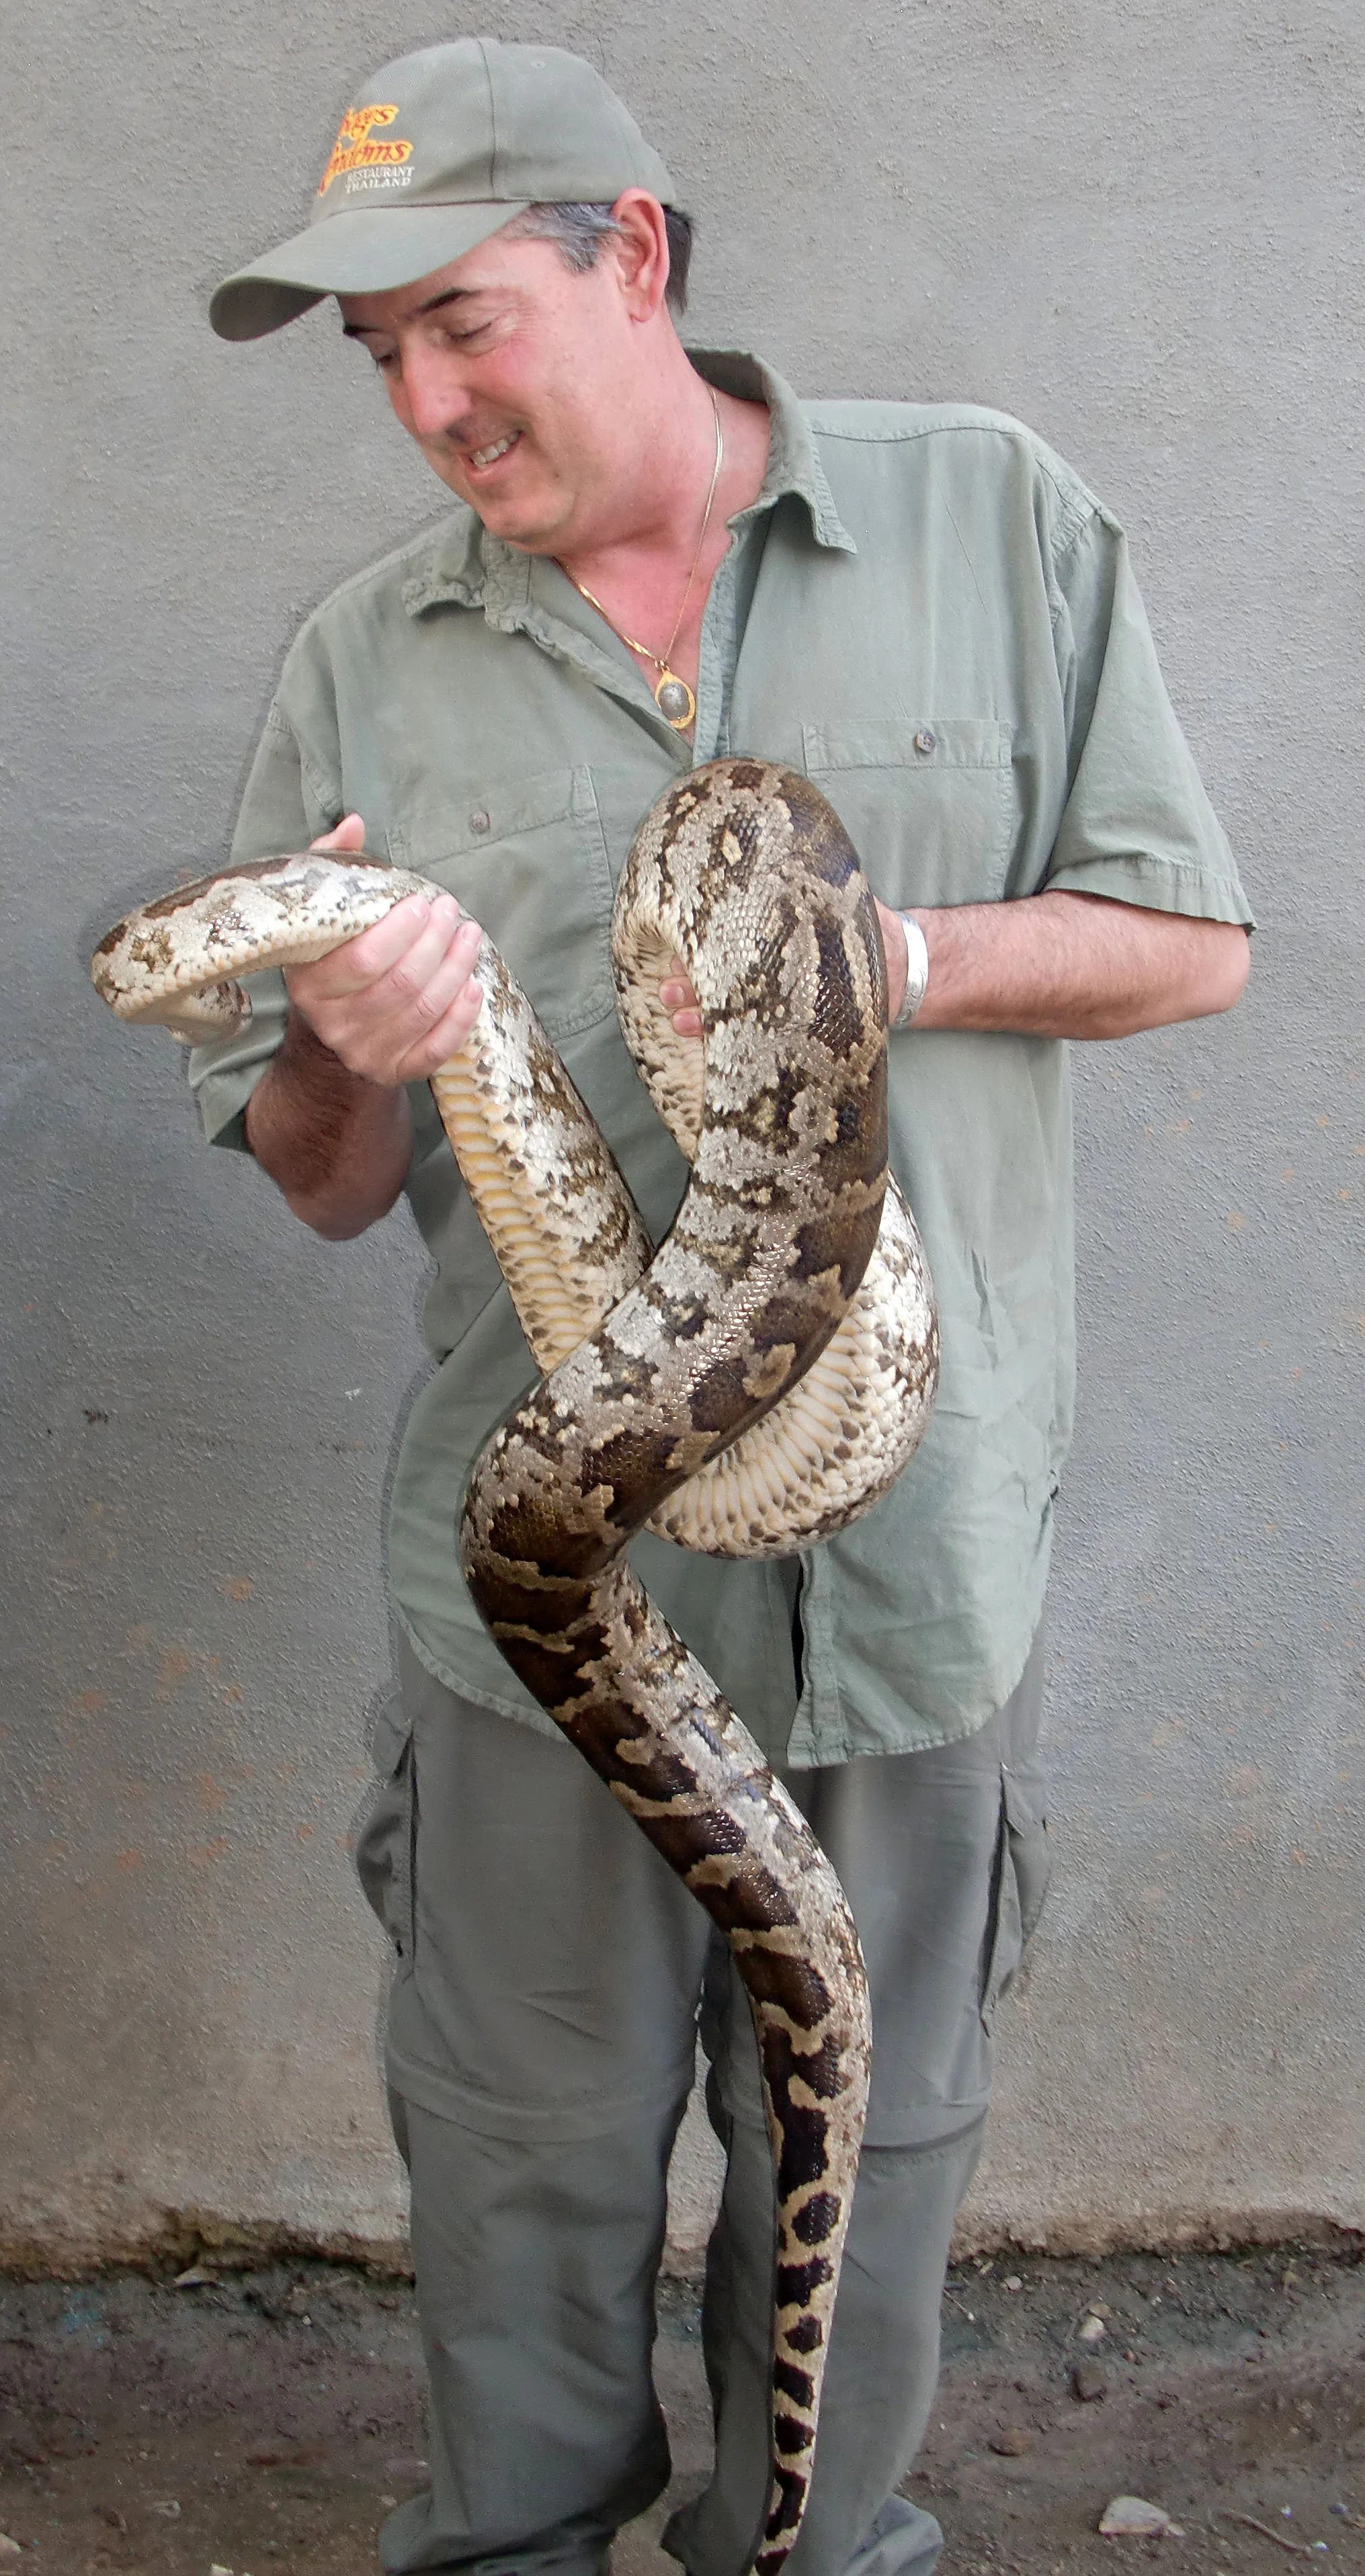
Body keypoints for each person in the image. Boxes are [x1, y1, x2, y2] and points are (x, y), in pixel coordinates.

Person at [194, 36, 1253, 2576]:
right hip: (534, 1582)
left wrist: (886, 957)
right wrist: (346, 1060)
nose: (430, 400)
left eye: (464, 320)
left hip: (907, 1577)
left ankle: (807, 2552)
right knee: (525, 2168)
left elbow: (1190, 942)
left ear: (633, 260)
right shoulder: (370, 657)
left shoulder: (992, 518)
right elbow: (317, 1184)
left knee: (860, 2160)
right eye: (381, 359)